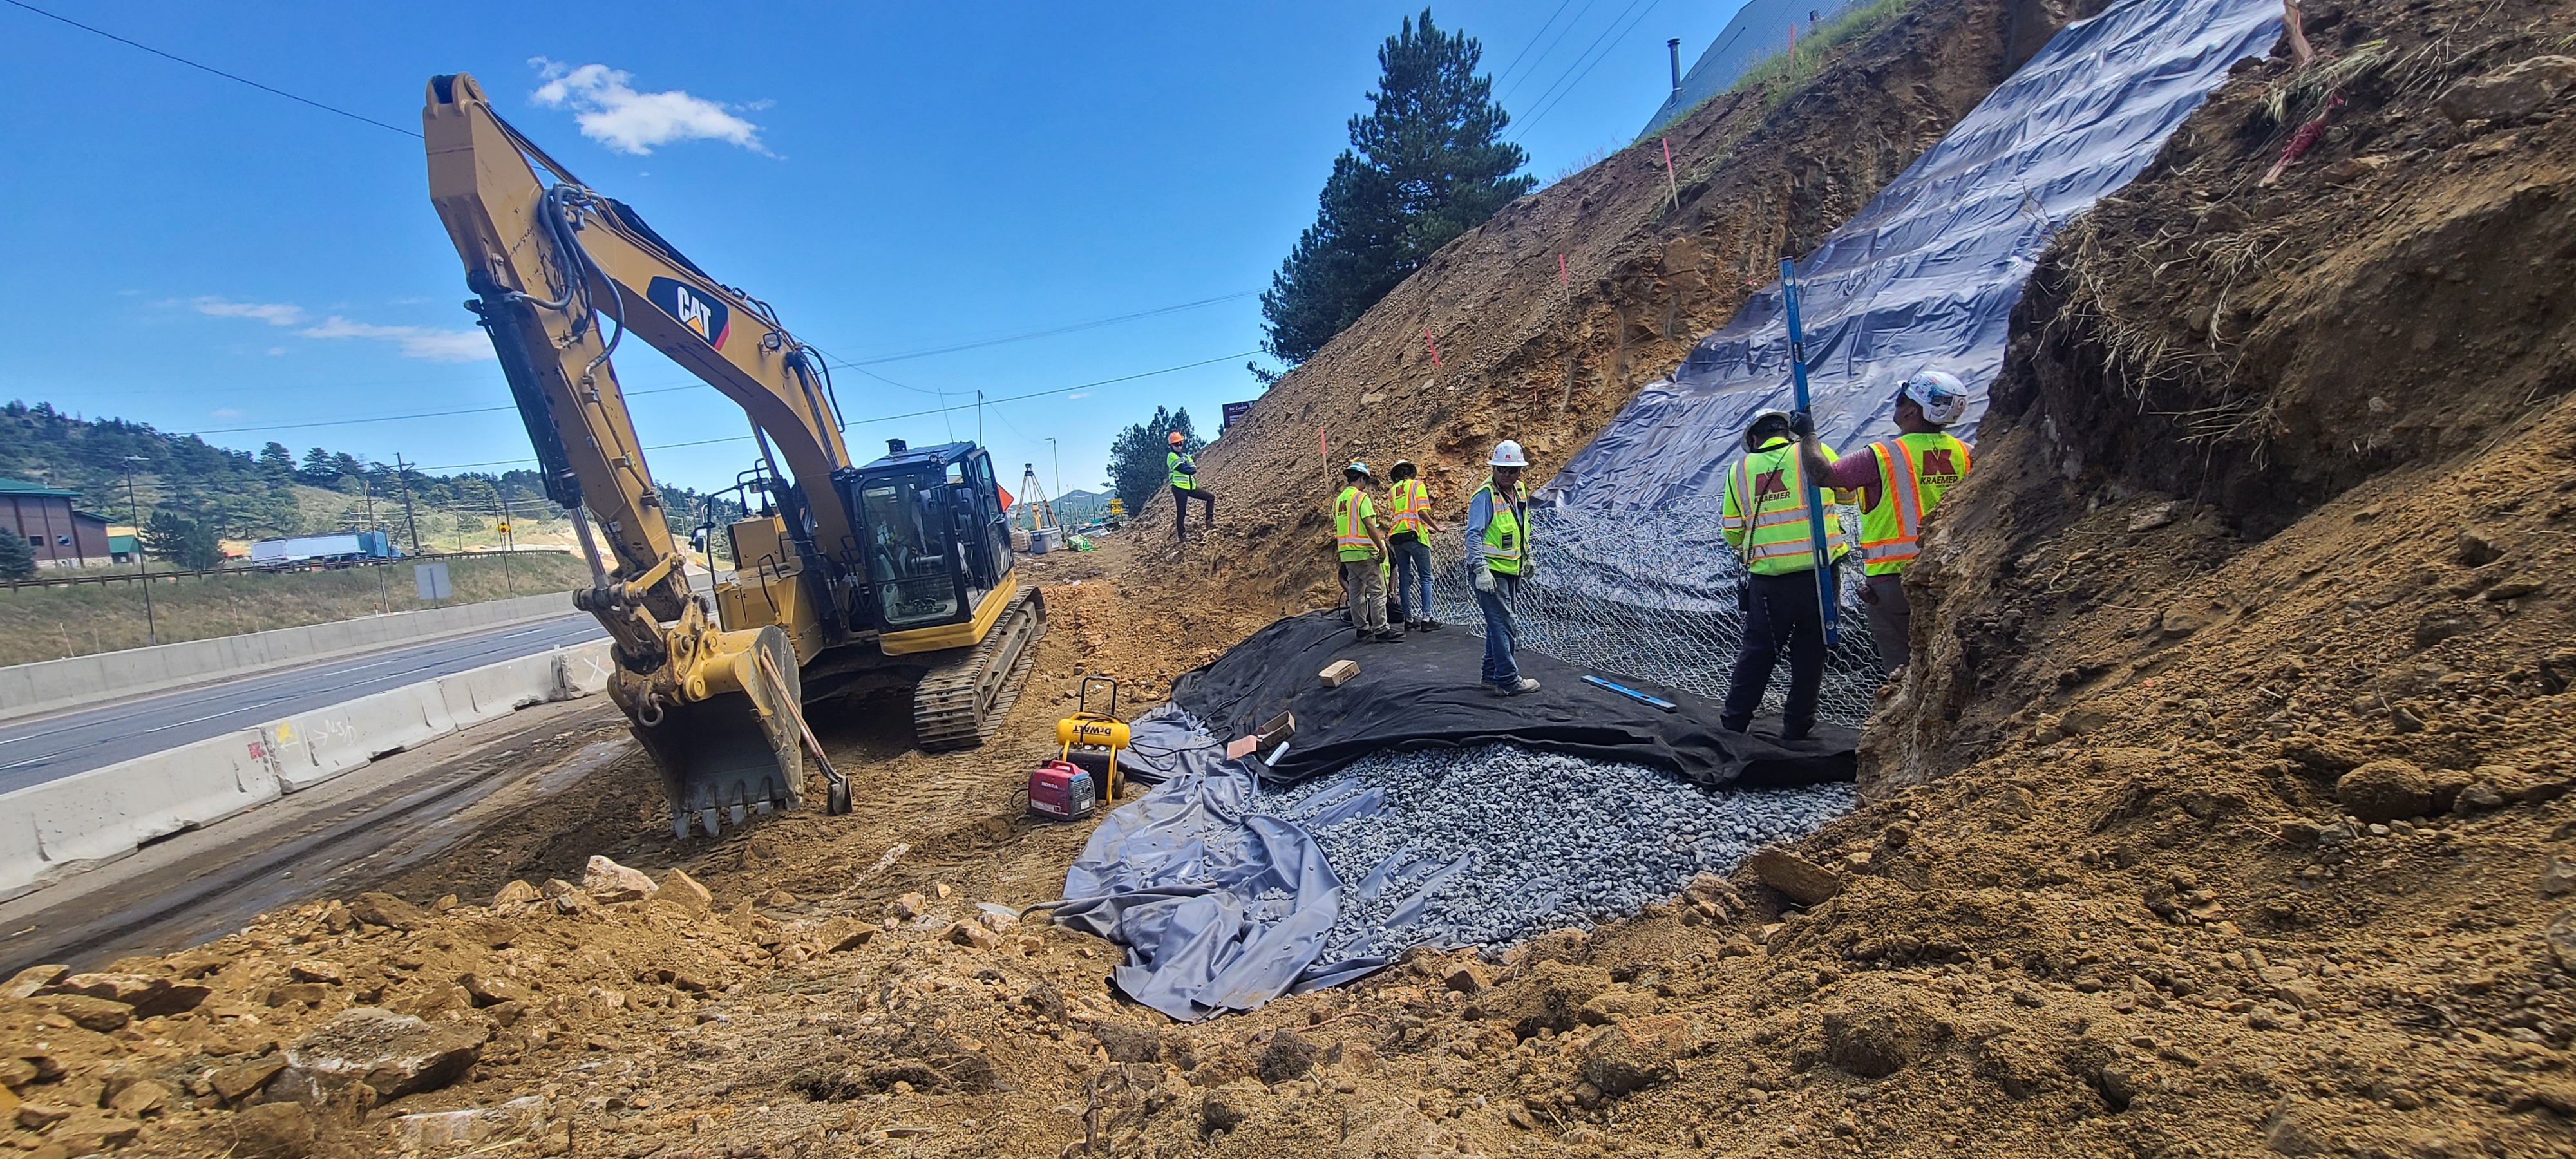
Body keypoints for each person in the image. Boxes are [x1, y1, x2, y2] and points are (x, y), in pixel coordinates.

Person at [1797, 370, 1973, 675]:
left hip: (1894, 580)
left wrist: (1808, 436)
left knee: (1902, 669)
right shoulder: (1967, 453)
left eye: (1900, 398)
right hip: (1954, 573)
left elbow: (1822, 475)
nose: (1896, 404)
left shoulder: (1882, 456)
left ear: (1911, 410)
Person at [1718, 410, 1855, 742]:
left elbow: (1733, 533)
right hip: (1820, 574)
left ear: (1753, 440)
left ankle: (1734, 724)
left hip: (1770, 580)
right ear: (1788, 432)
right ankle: (1797, 728)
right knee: (1812, 652)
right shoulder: (1815, 453)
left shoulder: (1739, 472)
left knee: (1759, 651)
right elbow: (1848, 496)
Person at [1465, 441, 1540, 695]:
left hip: (1511, 570)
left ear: (1520, 471)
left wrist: (1526, 557)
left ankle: (1490, 675)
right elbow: (1474, 534)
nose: (1507, 475)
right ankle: (1508, 680)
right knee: (1505, 625)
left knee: (1498, 625)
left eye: (1512, 470)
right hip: (1491, 573)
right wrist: (1480, 568)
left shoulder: (1519, 491)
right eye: (1501, 470)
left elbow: (1521, 526)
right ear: (1493, 469)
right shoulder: (1484, 495)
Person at [1332, 462, 1402, 643]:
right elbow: (1369, 525)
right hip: (1364, 553)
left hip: (1347, 555)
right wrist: (1381, 547)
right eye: (1366, 481)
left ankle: (1362, 628)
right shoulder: (1361, 498)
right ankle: (1381, 629)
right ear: (1362, 479)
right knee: (1378, 590)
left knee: (1356, 592)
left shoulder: (1338, 501)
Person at [1385, 459, 1442, 630]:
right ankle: (1426, 619)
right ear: (1410, 472)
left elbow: (1397, 514)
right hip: (1415, 535)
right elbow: (1421, 511)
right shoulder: (1417, 486)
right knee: (1426, 578)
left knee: (1404, 578)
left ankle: (1408, 620)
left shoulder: (1392, 492)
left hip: (1397, 538)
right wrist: (1437, 528)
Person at [1168, 431, 1214, 541]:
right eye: (1176, 444)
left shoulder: (1185, 456)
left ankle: (1210, 522)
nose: (1179, 446)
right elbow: (1184, 470)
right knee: (1182, 512)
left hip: (1190, 487)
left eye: (1180, 444)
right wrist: (1187, 468)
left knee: (1210, 497)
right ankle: (1182, 536)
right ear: (1171, 446)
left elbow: (1193, 470)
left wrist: (1188, 469)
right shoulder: (1171, 456)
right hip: (1179, 488)